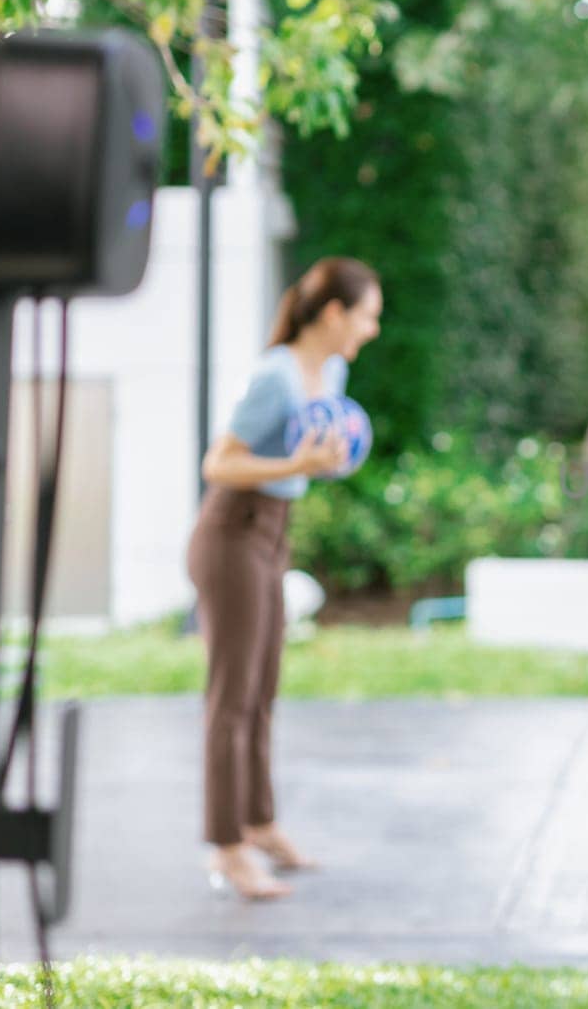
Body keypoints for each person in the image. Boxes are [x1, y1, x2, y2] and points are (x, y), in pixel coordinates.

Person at [187, 256, 382, 901]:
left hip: (273, 530)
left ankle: (261, 822)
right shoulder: (275, 375)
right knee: (232, 699)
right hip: (231, 533)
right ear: (333, 313)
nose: (372, 330)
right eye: (367, 316)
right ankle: (227, 847)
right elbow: (220, 463)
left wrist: (320, 462)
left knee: (264, 688)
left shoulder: (332, 369)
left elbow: (306, 451)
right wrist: (294, 462)